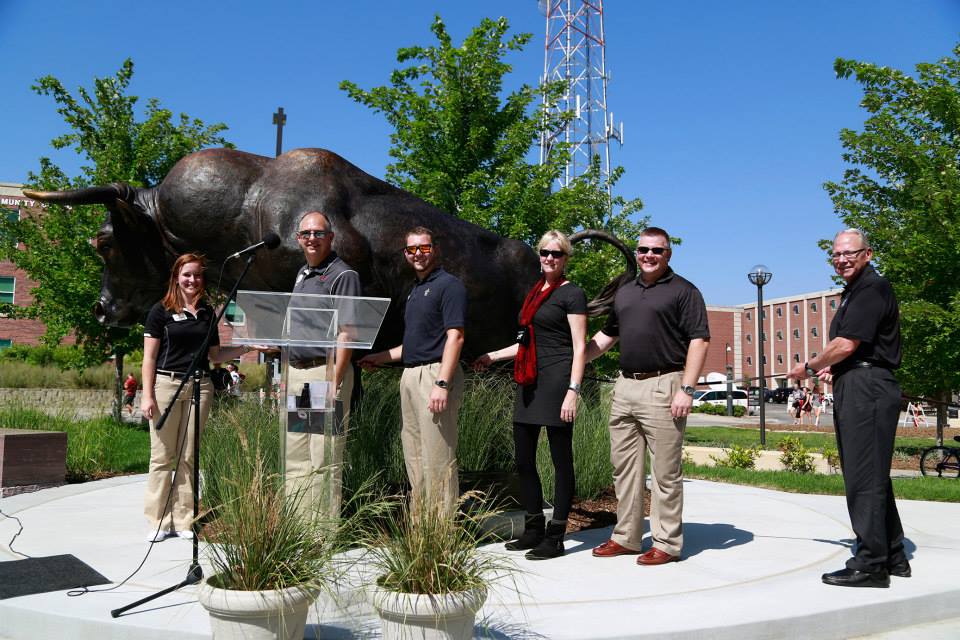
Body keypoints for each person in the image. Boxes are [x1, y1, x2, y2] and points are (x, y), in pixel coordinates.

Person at [787, 229, 907, 588]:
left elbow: (846, 343)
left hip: (867, 389)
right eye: (836, 254)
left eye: (848, 253)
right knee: (872, 474)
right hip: (860, 381)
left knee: (863, 477)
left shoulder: (871, 288)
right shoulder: (856, 292)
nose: (841, 260)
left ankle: (870, 564)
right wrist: (836, 366)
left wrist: (808, 367)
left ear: (867, 254)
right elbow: (851, 350)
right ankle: (893, 555)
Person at [584, 226, 709, 566]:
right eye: (643, 250)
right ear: (636, 253)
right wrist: (574, 356)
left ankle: (667, 543)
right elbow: (607, 336)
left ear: (668, 254)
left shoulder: (684, 291)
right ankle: (626, 537)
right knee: (624, 470)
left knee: (666, 473)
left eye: (657, 250)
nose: (649, 256)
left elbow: (699, 340)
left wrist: (687, 388)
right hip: (625, 386)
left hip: (664, 384)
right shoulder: (625, 291)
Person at [473, 231, 587, 560]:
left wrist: (572, 391)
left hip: (557, 383)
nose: (549, 258)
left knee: (560, 462)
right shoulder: (535, 292)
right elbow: (526, 342)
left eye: (556, 253)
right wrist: (493, 356)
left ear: (566, 258)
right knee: (523, 460)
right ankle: (534, 526)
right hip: (529, 381)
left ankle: (556, 535)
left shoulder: (572, 294)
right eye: (545, 252)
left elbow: (579, 348)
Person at [141, 253, 256, 542]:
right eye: (187, 275)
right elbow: (149, 358)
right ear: (176, 277)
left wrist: (247, 347)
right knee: (162, 457)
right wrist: (148, 395)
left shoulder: (206, 312)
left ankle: (183, 519)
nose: (193, 280)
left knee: (188, 456)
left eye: (197, 275)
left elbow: (215, 356)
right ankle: (157, 521)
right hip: (167, 386)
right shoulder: (160, 311)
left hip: (200, 387)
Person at [359, 226, 467, 515]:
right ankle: (423, 533)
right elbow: (412, 345)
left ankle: (441, 534)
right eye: (412, 249)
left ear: (436, 249)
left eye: (424, 247)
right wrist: (379, 357)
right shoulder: (415, 291)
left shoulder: (449, 285)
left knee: (438, 459)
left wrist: (442, 383)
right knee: (415, 459)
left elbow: (455, 337)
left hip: (434, 375)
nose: (418, 254)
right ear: (406, 254)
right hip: (410, 376)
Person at [285, 211, 362, 519]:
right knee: (298, 453)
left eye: (318, 233)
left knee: (323, 456)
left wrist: (334, 380)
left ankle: (323, 532)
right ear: (298, 239)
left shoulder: (343, 276)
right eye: (306, 233)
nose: (312, 239)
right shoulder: (303, 274)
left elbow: (347, 333)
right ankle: (299, 526)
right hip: (298, 373)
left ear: (331, 237)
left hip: (322, 374)